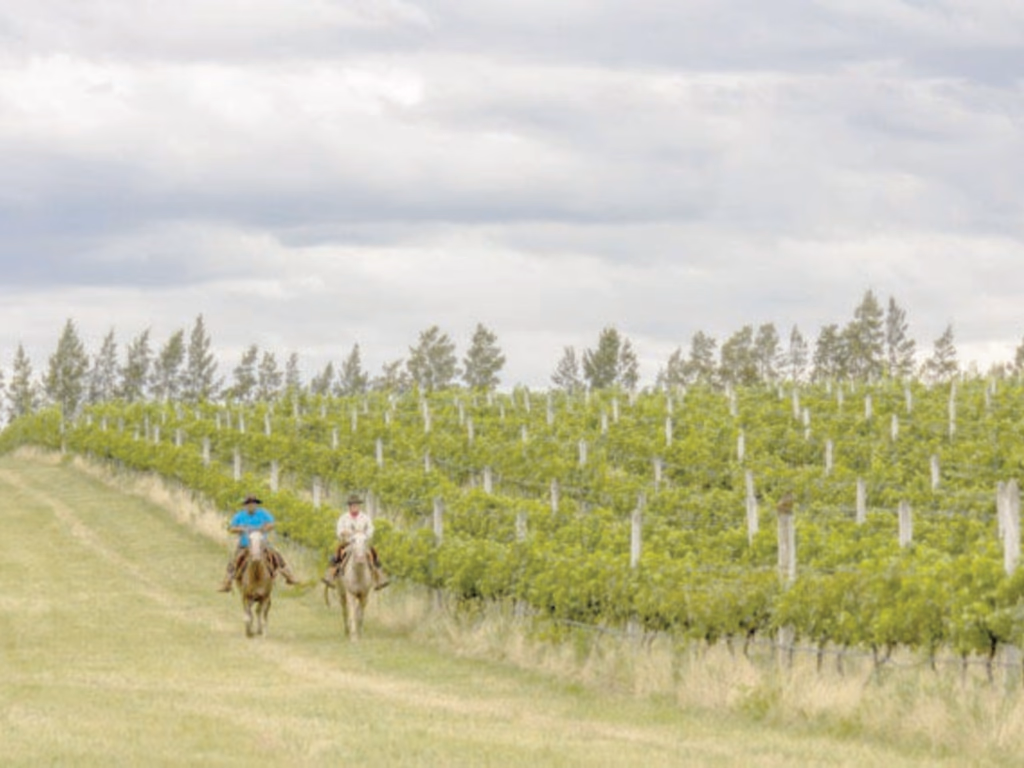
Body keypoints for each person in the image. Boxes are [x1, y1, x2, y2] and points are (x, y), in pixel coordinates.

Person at [217, 495, 300, 592]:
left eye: (253, 503)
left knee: (277, 557)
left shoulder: (263, 514)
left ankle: (289, 576)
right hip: (245, 545)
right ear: (245, 506)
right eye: (249, 504)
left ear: (256, 504)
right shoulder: (239, 516)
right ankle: (227, 582)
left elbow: (271, 524)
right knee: (234, 561)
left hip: (262, 545)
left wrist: (264, 528)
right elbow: (231, 528)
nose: (251, 506)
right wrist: (241, 528)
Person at [321, 494, 389, 590]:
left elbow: (371, 529)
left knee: (373, 554)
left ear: (359, 506)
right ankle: (330, 576)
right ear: (349, 506)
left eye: (356, 505)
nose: (354, 507)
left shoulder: (365, 518)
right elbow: (339, 530)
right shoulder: (344, 518)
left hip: (362, 542)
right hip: (348, 543)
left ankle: (379, 578)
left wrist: (364, 535)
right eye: (352, 505)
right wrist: (344, 533)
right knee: (337, 554)